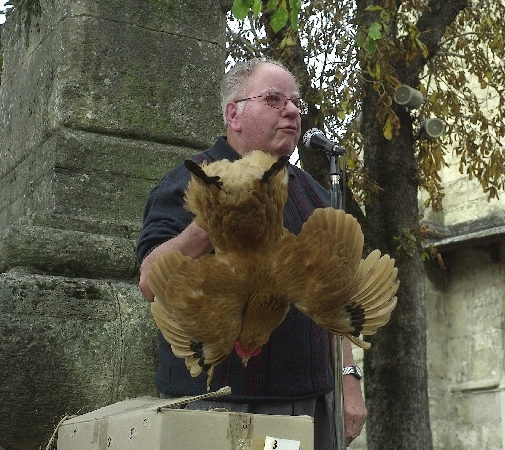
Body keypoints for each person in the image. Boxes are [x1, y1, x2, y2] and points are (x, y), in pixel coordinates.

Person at [136, 58, 366, 448]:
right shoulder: (190, 180)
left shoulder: (314, 194)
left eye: (295, 102)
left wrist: (348, 380)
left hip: (311, 403)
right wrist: (211, 222)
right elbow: (150, 283)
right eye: (274, 99)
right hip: (220, 405)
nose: (291, 110)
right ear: (234, 114)